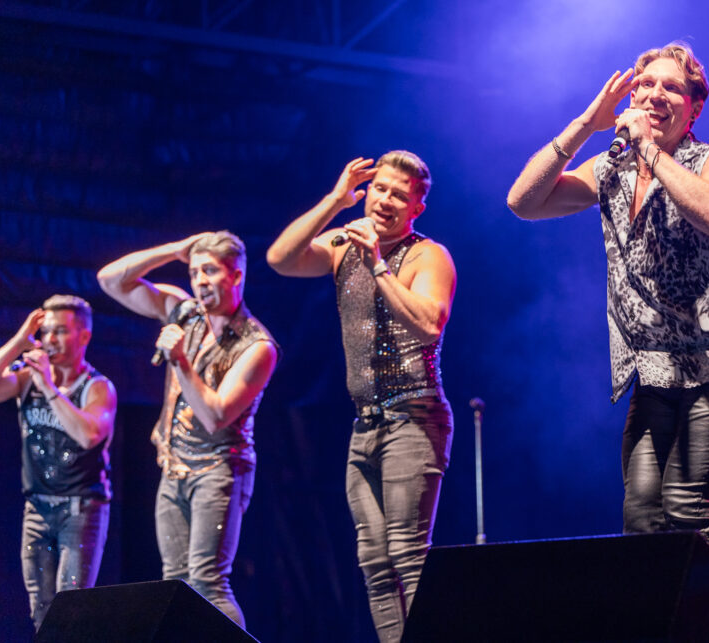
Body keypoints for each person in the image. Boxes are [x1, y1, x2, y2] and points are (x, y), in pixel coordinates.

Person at [506, 43, 709, 579]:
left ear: (694, 106)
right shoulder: (612, 168)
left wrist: (652, 151)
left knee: (687, 511)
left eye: (671, 87)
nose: (654, 95)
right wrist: (586, 123)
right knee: (643, 517)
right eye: (644, 84)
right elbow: (524, 201)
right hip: (655, 374)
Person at [267, 150, 455, 643]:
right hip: (365, 424)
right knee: (373, 560)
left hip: (414, 417)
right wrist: (334, 200)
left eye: (400, 194)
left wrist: (377, 265)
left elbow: (430, 325)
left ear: (416, 207)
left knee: (407, 554)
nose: (386, 199)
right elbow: (280, 259)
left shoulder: (426, 254)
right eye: (380, 189)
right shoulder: (342, 243)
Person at [96, 231, 278, 628]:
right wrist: (173, 250)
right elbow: (111, 280)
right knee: (175, 583)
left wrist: (179, 360)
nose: (200, 280)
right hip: (174, 467)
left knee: (209, 583)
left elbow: (216, 416)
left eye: (210, 270)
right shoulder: (185, 311)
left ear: (236, 275)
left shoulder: (256, 345)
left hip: (219, 470)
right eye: (195, 271)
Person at [0, 295, 117, 630]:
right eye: (46, 332)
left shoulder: (97, 387)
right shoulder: (25, 378)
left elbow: (88, 435)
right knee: (41, 610)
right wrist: (19, 341)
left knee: (71, 609)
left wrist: (49, 388)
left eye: (61, 332)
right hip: (36, 508)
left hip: (80, 509)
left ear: (84, 337)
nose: (51, 340)